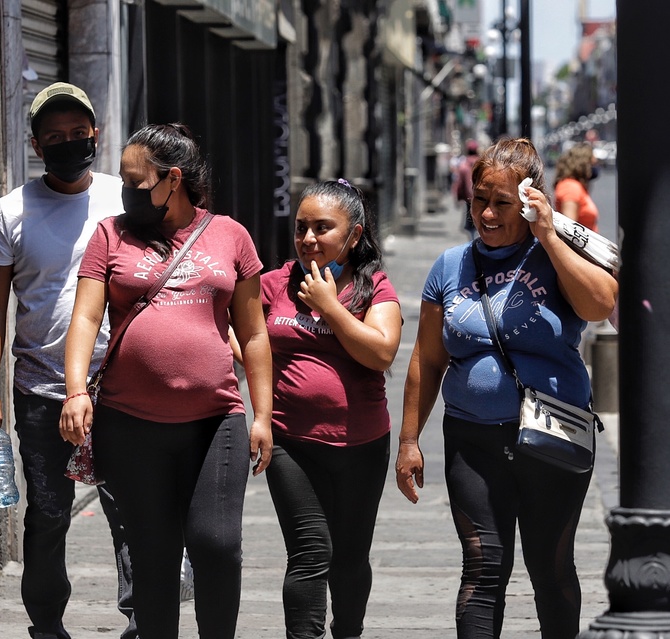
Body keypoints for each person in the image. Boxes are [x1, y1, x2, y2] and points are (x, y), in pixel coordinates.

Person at [395, 138, 618, 638]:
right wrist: (409, 440)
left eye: (502, 203)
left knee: (550, 568)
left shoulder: (552, 255)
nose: (488, 214)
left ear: (529, 201)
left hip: (553, 439)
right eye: (480, 200)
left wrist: (551, 236)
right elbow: (428, 359)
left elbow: (602, 304)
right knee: (482, 567)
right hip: (472, 441)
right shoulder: (450, 266)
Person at [59, 123, 273, 639]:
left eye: (136, 181)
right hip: (131, 424)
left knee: (216, 544)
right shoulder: (110, 235)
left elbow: (254, 333)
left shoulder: (231, 235)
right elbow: (86, 319)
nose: (127, 190)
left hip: (215, 421)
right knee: (152, 555)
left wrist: (263, 416)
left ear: (172, 180)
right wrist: (74, 391)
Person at [0, 81, 137, 639]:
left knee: (131, 512)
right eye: (54, 137)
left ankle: (143, 619)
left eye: (77, 134)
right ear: (37, 146)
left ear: (97, 135)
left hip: (122, 389)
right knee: (48, 515)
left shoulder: (124, 199)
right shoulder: (11, 211)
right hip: (42, 393)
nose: (68, 143)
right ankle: (47, 627)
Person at [261, 180, 402, 639]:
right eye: (302, 227)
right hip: (291, 444)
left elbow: (382, 352)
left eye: (323, 228)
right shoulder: (275, 284)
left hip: (360, 445)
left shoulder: (373, 287)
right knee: (309, 551)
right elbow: (237, 335)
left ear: (354, 235)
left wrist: (329, 306)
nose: (308, 239)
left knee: (350, 555)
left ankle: (349, 632)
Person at [554, 143, 600, 232]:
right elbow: (569, 229)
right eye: (592, 164)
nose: (595, 168)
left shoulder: (577, 186)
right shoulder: (570, 187)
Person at [453, 140, 480, 241]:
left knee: (470, 223)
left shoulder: (463, 166)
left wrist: (458, 197)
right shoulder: (482, 164)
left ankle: (472, 240)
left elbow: (459, 183)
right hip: (481, 198)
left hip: (469, 198)